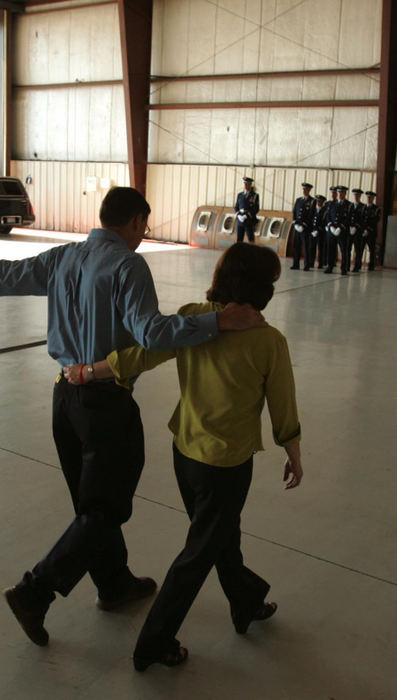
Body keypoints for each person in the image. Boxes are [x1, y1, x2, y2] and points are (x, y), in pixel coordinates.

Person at [0, 187, 266, 648]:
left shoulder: (63, 259)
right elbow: (152, 334)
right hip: (106, 405)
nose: (143, 236)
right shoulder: (127, 265)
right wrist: (219, 322)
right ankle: (34, 590)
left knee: (91, 504)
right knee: (106, 507)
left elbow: (4, 275)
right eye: (145, 227)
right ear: (135, 222)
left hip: (65, 401)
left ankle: (114, 583)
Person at [63, 242, 302, 671]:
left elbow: (144, 353)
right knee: (198, 554)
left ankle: (246, 601)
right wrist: (293, 451)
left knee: (220, 535)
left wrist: (89, 371)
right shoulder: (268, 342)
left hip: (185, 454)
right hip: (227, 465)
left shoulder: (195, 318)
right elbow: (282, 404)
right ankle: (153, 642)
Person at [325, 185, 351, 275]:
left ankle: (344, 268)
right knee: (330, 249)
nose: (340, 195)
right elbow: (328, 216)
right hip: (332, 230)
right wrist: (330, 226)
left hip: (342, 231)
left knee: (344, 250)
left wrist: (341, 227)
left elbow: (349, 218)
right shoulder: (332, 203)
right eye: (339, 193)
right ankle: (330, 266)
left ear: (345, 194)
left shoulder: (349, 205)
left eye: (342, 193)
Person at [290, 183, 314, 270]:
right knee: (296, 246)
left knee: (306, 247)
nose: (304, 191)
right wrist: (295, 223)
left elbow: (311, 215)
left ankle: (307, 265)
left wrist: (304, 224)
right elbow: (294, 212)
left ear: (309, 190)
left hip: (305, 228)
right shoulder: (298, 200)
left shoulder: (312, 201)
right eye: (303, 189)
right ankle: (295, 264)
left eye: (306, 190)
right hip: (297, 227)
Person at [359, 191, 381, 271]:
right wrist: (363, 229)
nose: (369, 199)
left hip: (371, 232)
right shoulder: (363, 207)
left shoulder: (376, 209)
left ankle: (371, 266)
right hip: (363, 232)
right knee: (360, 249)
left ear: (373, 199)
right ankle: (358, 265)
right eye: (368, 198)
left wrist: (368, 230)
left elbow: (375, 220)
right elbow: (361, 219)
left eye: (370, 198)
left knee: (372, 250)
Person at [234, 177, 260, 244]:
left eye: (247, 184)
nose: (245, 186)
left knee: (251, 239)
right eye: (245, 184)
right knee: (239, 240)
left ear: (250, 185)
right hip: (240, 220)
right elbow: (236, 206)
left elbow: (256, 208)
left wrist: (247, 215)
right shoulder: (240, 195)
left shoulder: (254, 195)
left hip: (249, 220)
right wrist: (238, 214)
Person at [307, 194, 327, 270]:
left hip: (321, 232)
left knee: (321, 248)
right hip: (313, 232)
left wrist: (318, 230)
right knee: (312, 247)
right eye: (317, 201)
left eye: (320, 201)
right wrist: (312, 230)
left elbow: (324, 222)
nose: (319, 203)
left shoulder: (325, 211)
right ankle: (311, 262)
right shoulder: (313, 210)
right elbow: (310, 220)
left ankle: (320, 263)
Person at [348, 188, 366, 272]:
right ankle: (347, 265)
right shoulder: (350, 205)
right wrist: (349, 226)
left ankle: (357, 266)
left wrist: (356, 227)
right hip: (349, 230)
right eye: (355, 195)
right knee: (348, 249)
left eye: (358, 195)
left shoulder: (363, 207)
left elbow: (364, 219)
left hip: (357, 231)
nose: (356, 197)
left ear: (360, 196)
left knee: (358, 249)